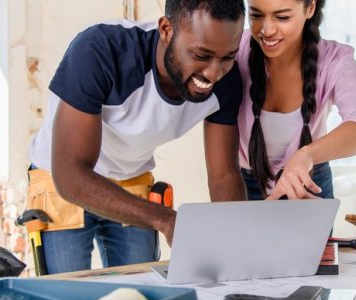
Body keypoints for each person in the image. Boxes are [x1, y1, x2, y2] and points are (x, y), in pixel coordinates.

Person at [26, 0, 246, 274]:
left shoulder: (227, 81)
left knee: (141, 294)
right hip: (60, 178)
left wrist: (236, 244)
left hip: (131, 177)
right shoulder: (99, 51)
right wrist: (166, 220)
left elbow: (224, 175)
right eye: (201, 55)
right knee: (65, 295)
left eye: (227, 57)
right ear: (166, 29)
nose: (214, 73)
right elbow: (71, 175)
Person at [236, 0, 356, 200]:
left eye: (282, 17)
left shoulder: (335, 60)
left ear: (310, 8)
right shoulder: (234, 50)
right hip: (244, 183)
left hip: (309, 182)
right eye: (256, 15)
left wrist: (307, 155)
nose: (267, 29)